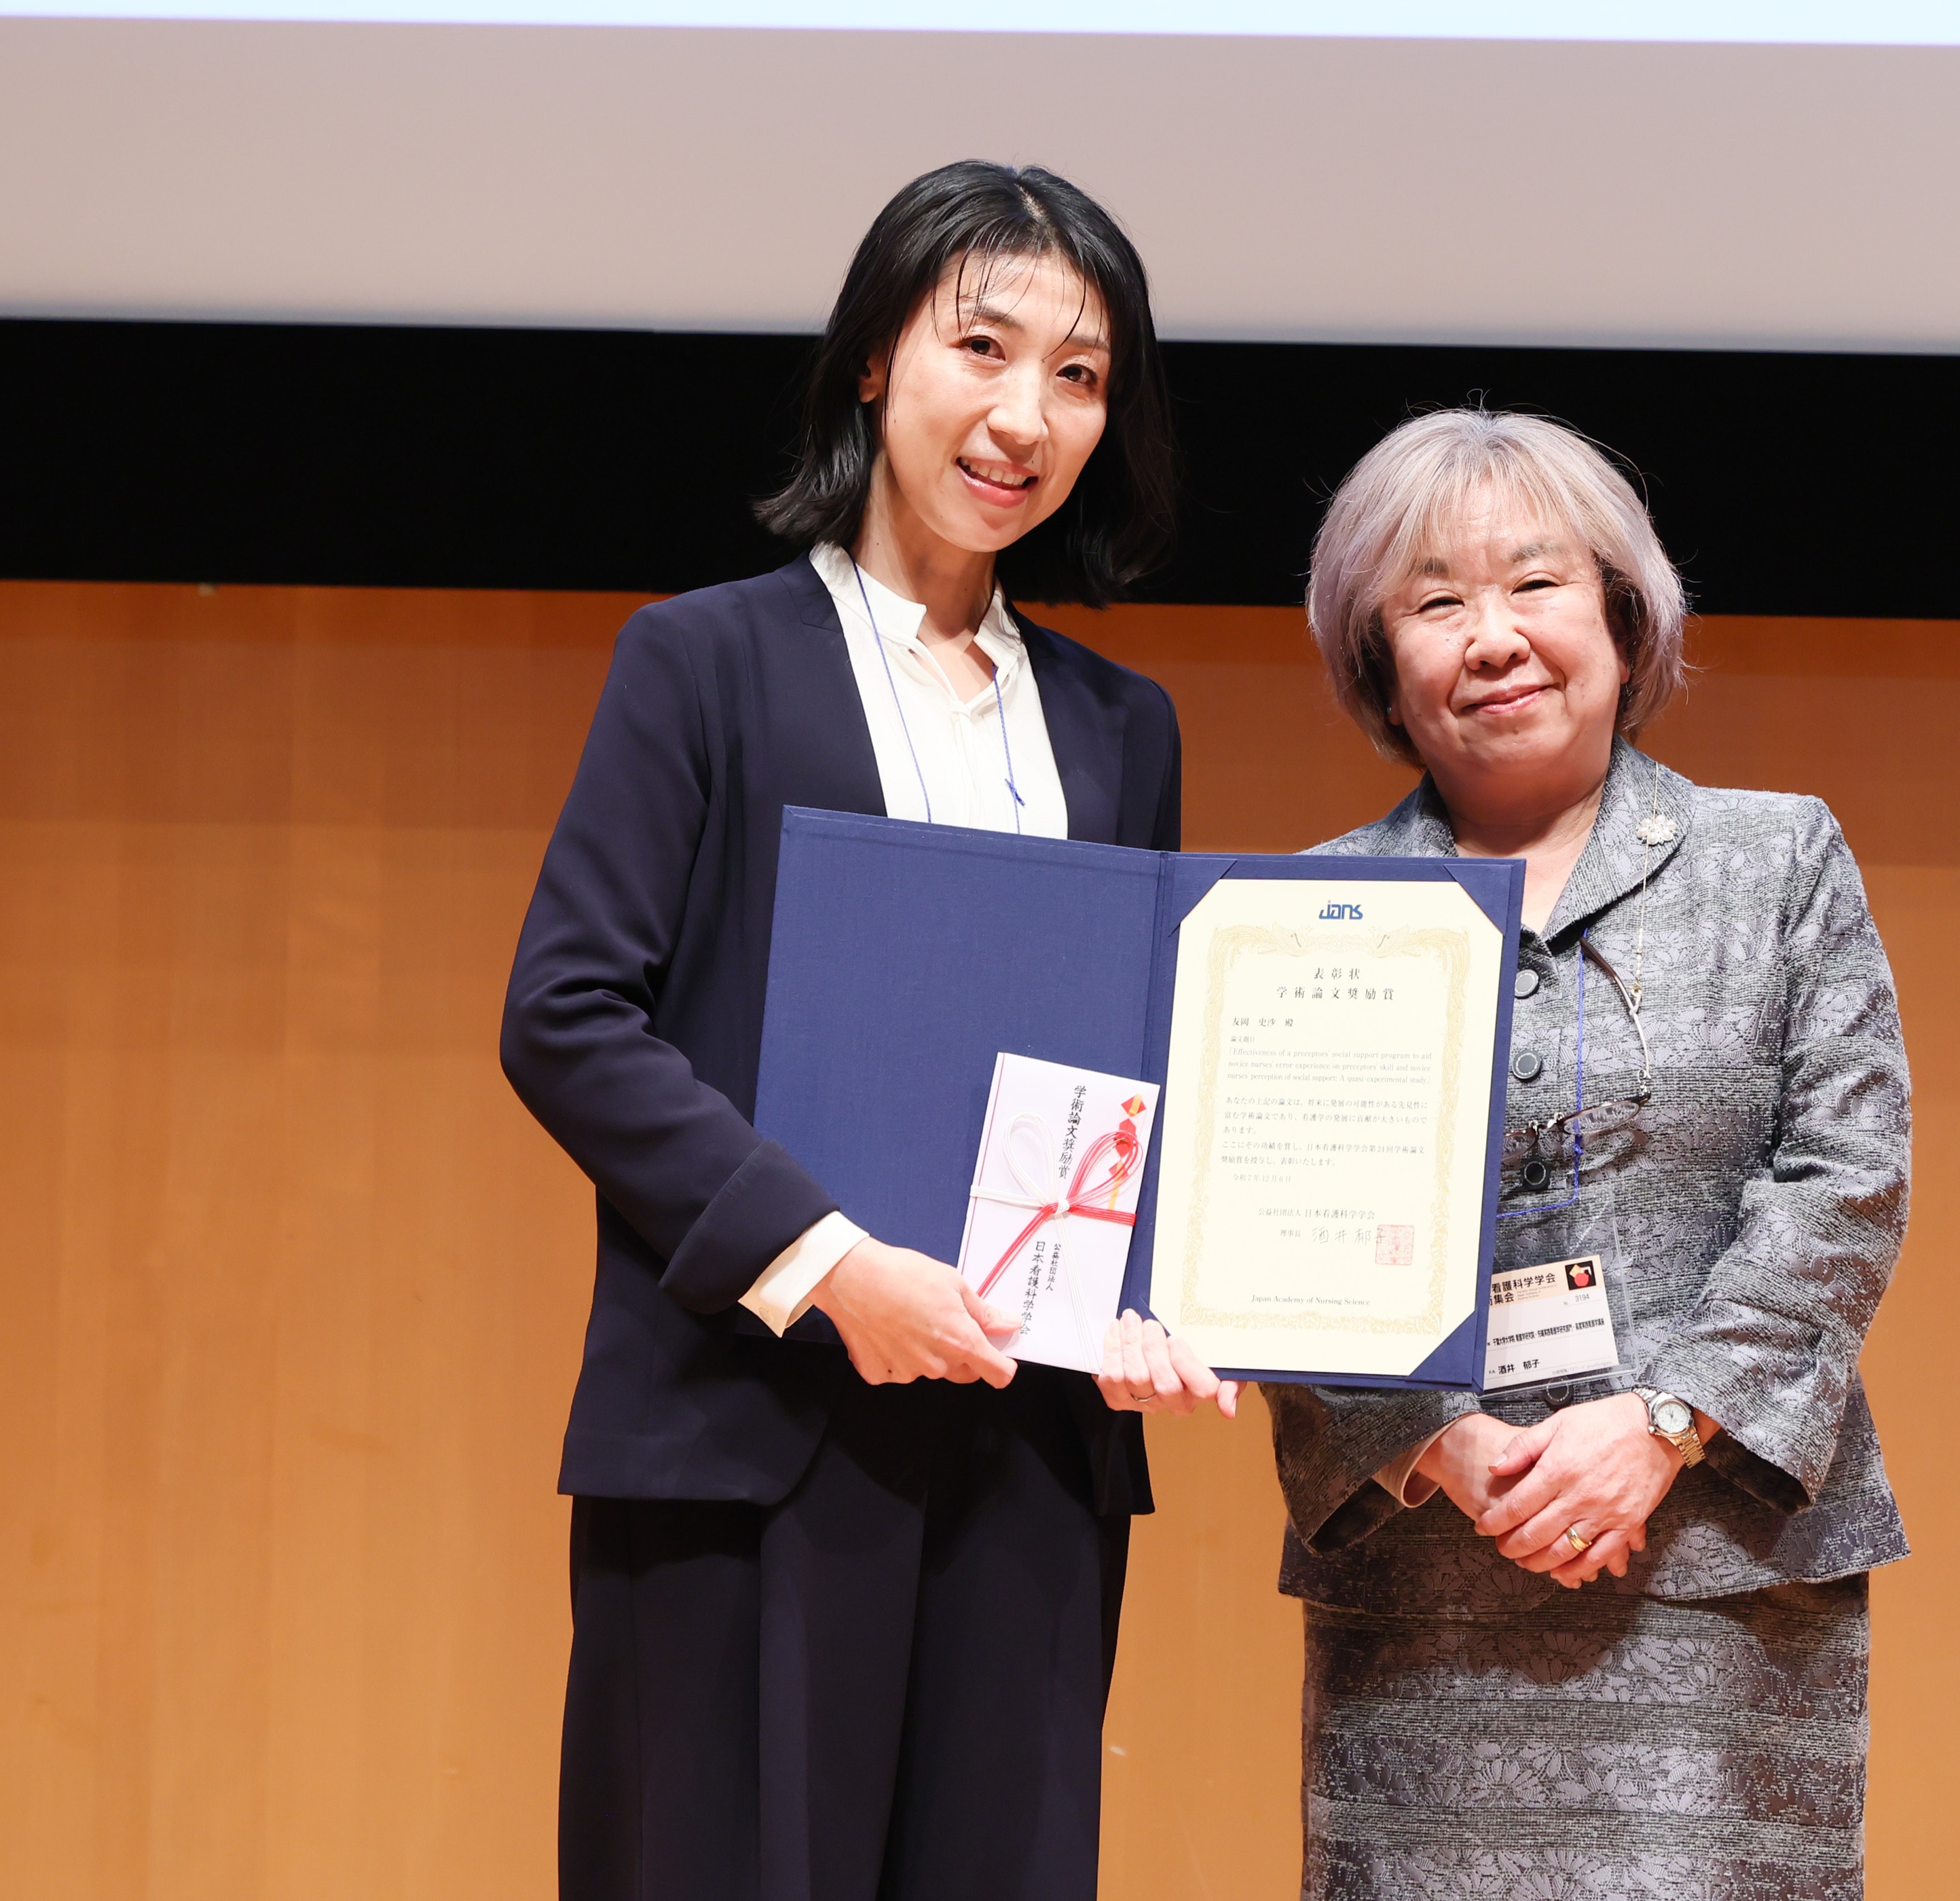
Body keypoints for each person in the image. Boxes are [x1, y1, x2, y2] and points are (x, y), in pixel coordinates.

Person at [1105, 408, 1912, 1898]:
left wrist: (1660, 1425)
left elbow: (1847, 1173)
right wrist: (1436, 1441)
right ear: (1379, 663)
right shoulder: (1298, 912)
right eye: (1434, 601)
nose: (1494, 637)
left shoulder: (1778, 856)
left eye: (1535, 583)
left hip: (1722, 1580)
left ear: (1621, 613)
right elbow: (1265, 1235)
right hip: (1424, 1599)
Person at [501, 161, 1192, 1901]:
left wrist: (1166, 1287)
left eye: (1081, 374)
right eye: (983, 345)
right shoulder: (705, 662)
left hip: (1030, 1449)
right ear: (877, 359)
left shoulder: (1125, 727)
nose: (1025, 415)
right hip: (754, 1426)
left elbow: (1136, 1066)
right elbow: (568, 1014)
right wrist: (826, 1262)